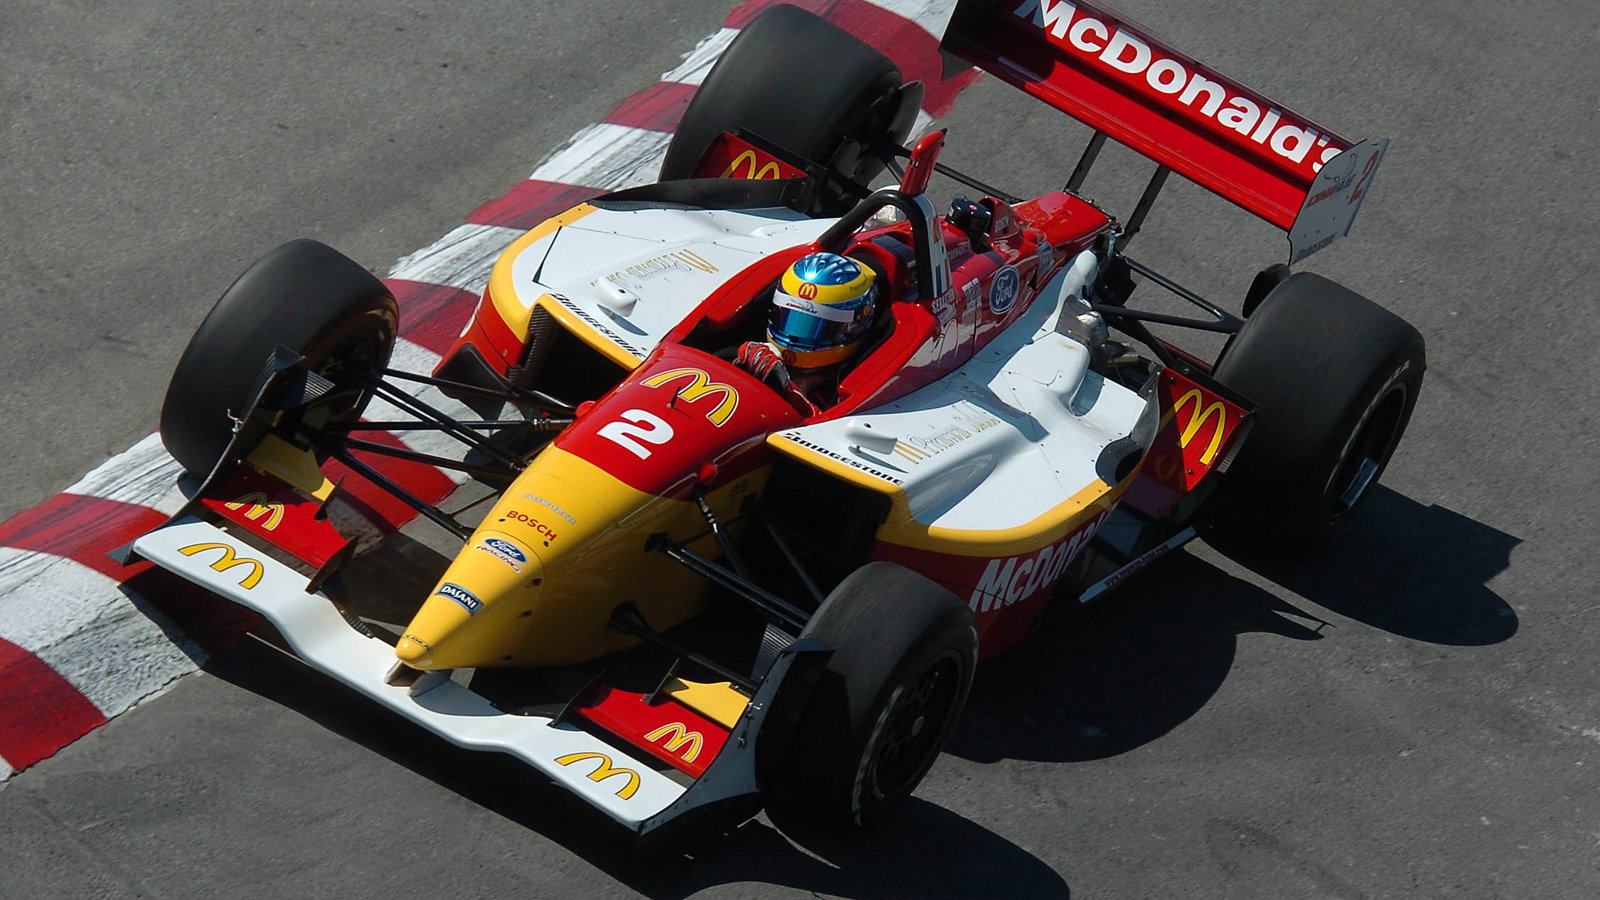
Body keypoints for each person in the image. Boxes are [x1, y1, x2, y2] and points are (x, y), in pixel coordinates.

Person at [735, 252, 877, 414]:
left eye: (817, 328)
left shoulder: (846, 385)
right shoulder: (754, 354)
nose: (793, 338)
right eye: (789, 319)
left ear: (854, 326)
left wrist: (788, 395)